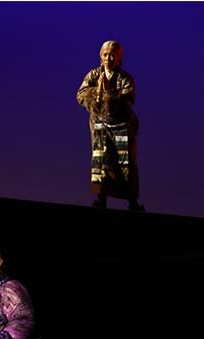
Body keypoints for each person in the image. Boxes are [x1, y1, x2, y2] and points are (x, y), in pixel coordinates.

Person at [77, 40, 144, 211]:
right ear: (100, 57)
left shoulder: (125, 78)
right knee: (101, 161)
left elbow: (128, 100)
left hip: (121, 126)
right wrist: (96, 93)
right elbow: (81, 94)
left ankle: (132, 202)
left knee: (126, 163)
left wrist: (109, 95)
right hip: (100, 125)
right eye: (105, 55)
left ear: (119, 57)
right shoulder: (94, 75)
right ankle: (101, 198)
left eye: (112, 55)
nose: (108, 58)